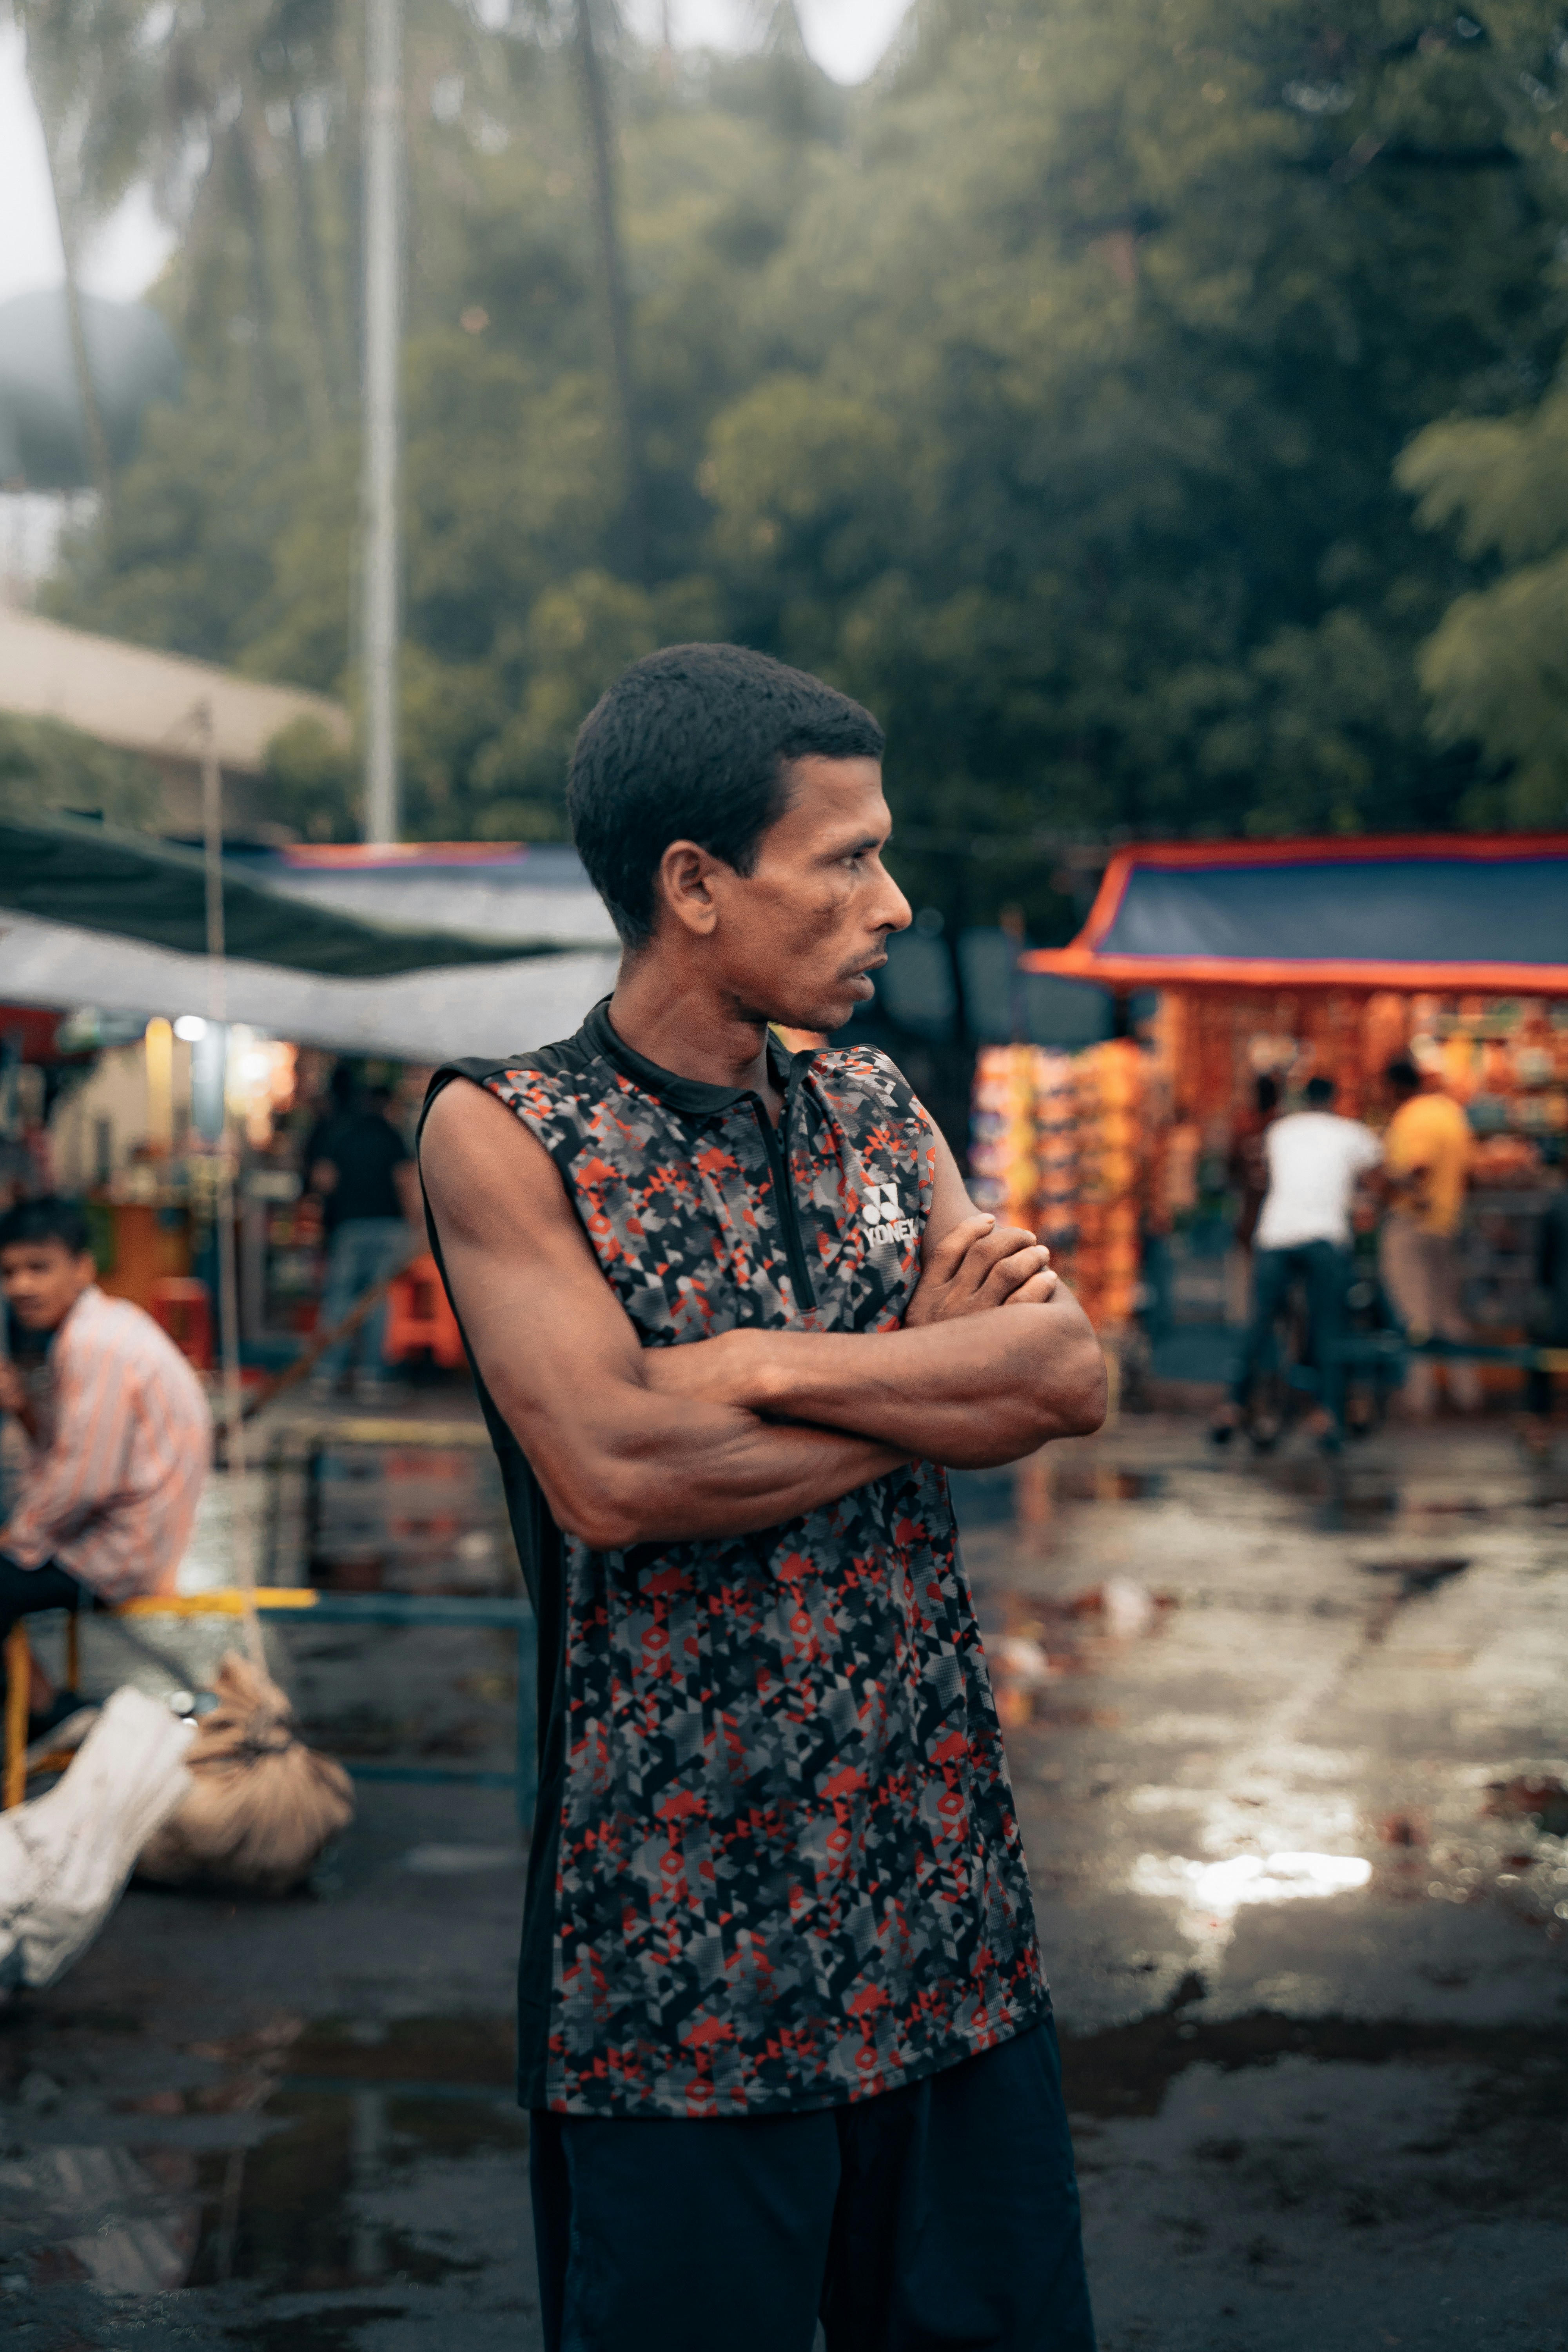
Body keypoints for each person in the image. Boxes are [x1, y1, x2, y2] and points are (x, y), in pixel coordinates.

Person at [419, 643, 1108, 2352]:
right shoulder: (506, 1130)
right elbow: (615, 1471)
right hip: (674, 1967)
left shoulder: (875, 1106)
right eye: (847, 857)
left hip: (945, 1918)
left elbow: (1061, 1373)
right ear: (694, 885)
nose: (891, 902)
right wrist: (924, 1384)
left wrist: (746, 1364)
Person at [0, 1196, 211, 1732]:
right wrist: (23, 1407)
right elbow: (70, 1456)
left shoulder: (95, 1343)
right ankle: (46, 1709)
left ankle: (47, 1714)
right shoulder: (98, 1328)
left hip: (120, 1553)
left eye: (39, 1268)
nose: (21, 1286)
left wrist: (17, 1541)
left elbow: (83, 1481)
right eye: (9, 1272)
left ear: (82, 1268)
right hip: (124, 1538)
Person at [1214, 1073, 1381, 1450]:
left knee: (1260, 1322)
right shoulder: (1351, 1132)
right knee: (1327, 1326)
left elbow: (1264, 1177)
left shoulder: (1280, 1131)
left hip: (1275, 1236)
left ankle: (1232, 1406)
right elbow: (1377, 1176)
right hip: (1324, 1238)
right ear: (1335, 1100)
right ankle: (1327, 1415)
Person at [1379, 1057, 1482, 1418]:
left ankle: (1420, 1398)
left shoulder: (1412, 1116)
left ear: (1394, 1087)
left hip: (1413, 1223)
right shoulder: (1451, 1112)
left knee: (1415, 1316)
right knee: (1448, 1313)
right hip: (1447, 1224)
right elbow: (1471, 1172)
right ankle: (1468, 1393)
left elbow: (1416, 1167)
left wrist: (1403, 1189)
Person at [309, 1077, 420, 1396]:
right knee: (380, 1302)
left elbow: (323, 1179)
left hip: (350, 1225)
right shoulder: (392, 1136)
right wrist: (416, 1224)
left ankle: (327, 1372)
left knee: (339, 1299)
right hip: (389, 1225)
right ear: (389, 1105)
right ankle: (373, 1375)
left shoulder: (342, 1134)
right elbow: (405, 1181)